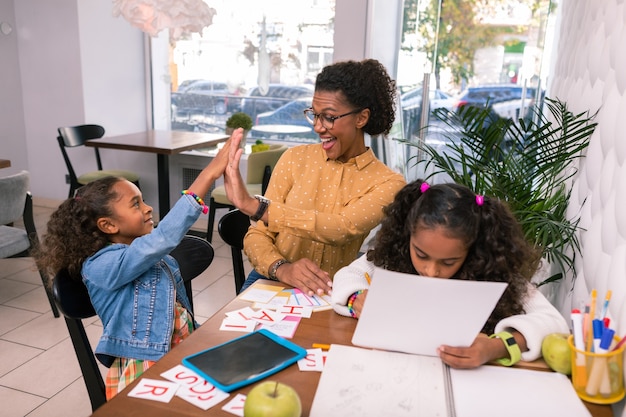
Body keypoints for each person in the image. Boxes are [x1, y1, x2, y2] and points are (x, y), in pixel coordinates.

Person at [34, 139, 232, 399]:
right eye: (136, 204)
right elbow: (162, 239)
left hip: (180, 352)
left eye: (143, 200)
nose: (148, 207)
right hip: (143, 364)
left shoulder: (147, 255)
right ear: (107, 225)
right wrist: (208, 175)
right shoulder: (100, 266)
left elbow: (176, 311)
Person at [331, 180, 569, 369]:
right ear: (407, 236)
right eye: (421, 255)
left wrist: (497, 348)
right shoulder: (393, 254)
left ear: (472, 248)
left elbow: (554, 322)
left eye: (449, 262)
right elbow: (350, 273)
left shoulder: (495, 272)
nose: (432, 271)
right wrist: (357, 297)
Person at [223, 59, 406, 296]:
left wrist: (255, 207)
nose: (318, 127)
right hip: (271, 279)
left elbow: (341, 228)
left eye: (329, 117)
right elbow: (258, 234)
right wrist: (282, 268)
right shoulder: (294, 159)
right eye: (314, 115)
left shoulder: (387, 183)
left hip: (330, 291)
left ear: (361, 118)